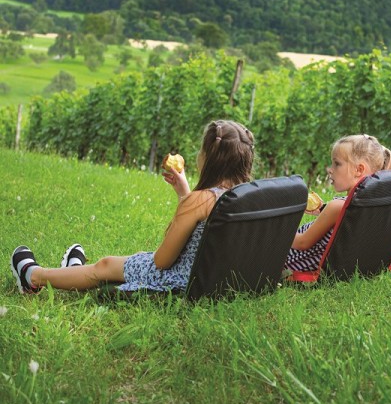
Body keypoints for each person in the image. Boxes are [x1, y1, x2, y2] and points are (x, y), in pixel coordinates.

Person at [10, 120, 255, 294]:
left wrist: (187, 202)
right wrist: (184, 193)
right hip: (215, 279)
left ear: (208, 158)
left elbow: (162, 261)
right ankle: (74, 273)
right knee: (105, 269)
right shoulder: (248, 197)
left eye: (201, 150)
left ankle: (33, 277)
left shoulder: (200, 200)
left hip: (181, 280)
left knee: (105, 265)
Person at [283, 134, 391, 274]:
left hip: (291, 260)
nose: (330, 169)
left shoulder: (337, 206)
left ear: (359, 170)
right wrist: (323, 209)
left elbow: (302, 243)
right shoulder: (375, 206)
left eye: (337, 163)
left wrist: (276, 231)